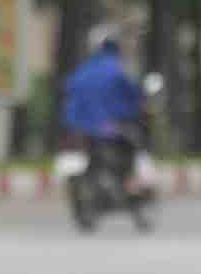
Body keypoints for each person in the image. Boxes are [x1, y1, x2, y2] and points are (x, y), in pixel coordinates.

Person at [61, 27, 147, 191]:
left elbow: (68, 92)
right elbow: (132, 95)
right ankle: (130, 182)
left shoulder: (82, 70)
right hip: (108, 126)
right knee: (134, 141)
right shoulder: (116, 70)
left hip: (78, 127)